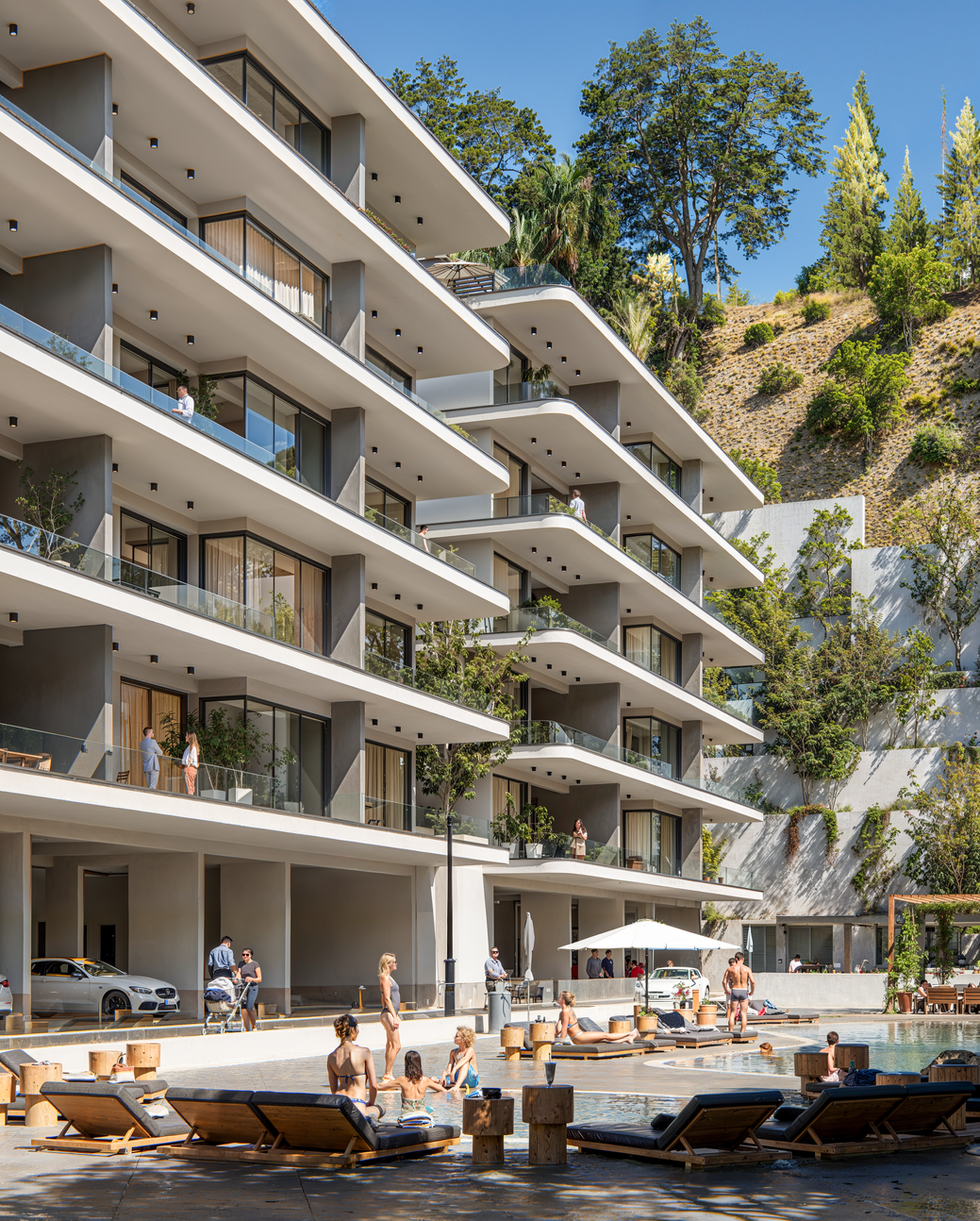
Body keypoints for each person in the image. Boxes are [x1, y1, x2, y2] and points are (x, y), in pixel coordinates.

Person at [327, 1013, 384, 1121]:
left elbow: (333, 1091)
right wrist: (370, 1103)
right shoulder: (364, 1052)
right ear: (352, 1030)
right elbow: (374, 1086)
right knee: (381, 1109)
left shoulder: (331, 1057)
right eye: (357, 1028)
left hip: (339, 1104)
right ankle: (369, 1117)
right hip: (358, 1105)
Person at [376, 1049, 447, 1127]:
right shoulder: (426, 1080)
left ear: (406, 1063)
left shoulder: (401, 1080)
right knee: (430, 1109)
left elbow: (379, 1086)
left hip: (406, 1120)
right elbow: (443, 1090)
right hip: (423, 1119)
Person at [556, 991, 645, 1045]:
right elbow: (559, 1031)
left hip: (579, 1037)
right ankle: (630, 1034)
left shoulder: (566, 1011)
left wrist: (561, 1042)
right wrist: (560, 1019)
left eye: (559, 997)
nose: (557, 998)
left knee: (605, 1038)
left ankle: (628, 1037)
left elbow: (563, 1030)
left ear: (563, 1000)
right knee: (605, 1035)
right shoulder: (564, 1012)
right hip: (578, 1037)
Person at [379, 951, 401, 1081]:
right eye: (393, 962)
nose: (395, 963)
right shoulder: (385, 978)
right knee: (397, 1045)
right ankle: (388, 1073)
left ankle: (388, 1073)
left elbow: (383, 997)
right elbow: (387, 998)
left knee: (390, 1045)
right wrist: (393, 1016)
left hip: (388, 1013)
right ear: (388, 964)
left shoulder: (389, 978)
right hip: (389, 1013)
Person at [439, 1026, 479, 1094]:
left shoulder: (470, 1050)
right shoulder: (453, 1052)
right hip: (458, 1079)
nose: (454, 1037)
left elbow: (465, 1059)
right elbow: (449, 1070)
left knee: (465, 1063)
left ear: (463, 1040)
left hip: (471, 1079)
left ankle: (456, 1087)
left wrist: (455, 1069)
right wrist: (443, 1074)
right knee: (432, 1079)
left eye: (457, 1036)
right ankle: (450, 1085)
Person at [726, 952, 755, 1034]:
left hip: (735, 990)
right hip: (744, 991)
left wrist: (726, 990)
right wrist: (752, 991)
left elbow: (724, 981)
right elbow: (752, 981)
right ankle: (742, 1032)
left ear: (736, 959)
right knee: (743, 1013)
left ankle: (730, 1032)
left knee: (732, 1013)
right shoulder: (747, 969)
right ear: (741, 959)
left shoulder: (730, 969)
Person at [238, 947, 261, 1032]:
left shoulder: (255, 964)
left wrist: (251, 979)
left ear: (250, 955)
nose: (245, 956)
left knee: (249, 1007)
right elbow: (239, 973)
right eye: (243, 955)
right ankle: (248, 1029)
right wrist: (237, 978)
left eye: (247, 955)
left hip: (252, 987)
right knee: (243, 1008)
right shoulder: (241, 964)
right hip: (243, 987)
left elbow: (259, 978)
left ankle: (254, 1025)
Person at [140, 726, 162, 790]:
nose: (153, 734)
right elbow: (160, 752)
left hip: (146, 767)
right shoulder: (152, 742)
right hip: (153, 766)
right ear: (148, 734)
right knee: (152, 787)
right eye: (152, 732)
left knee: (149, 786)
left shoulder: (141, 743)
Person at [181, 731, 200, 796]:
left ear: (190, 737)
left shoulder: (192, 748)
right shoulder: (191, 747)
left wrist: (186, 766)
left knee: (189, 788)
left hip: (189, 768)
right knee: (189, 787)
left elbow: (190, 759)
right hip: (189, 768)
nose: (185, 737)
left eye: (186, 735)